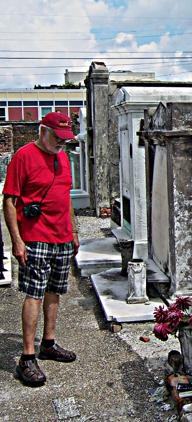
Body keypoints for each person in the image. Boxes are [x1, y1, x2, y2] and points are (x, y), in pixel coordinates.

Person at [2, 112, 80, 386]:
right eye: (57, 138)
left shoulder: (62, 157)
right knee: (34, 293)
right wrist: (17, 240)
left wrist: (73, 230)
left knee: (55, 291)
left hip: (61, 236)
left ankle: (48, 342)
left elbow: (66, 195)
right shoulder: (23, 156)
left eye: (64, 140)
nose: (61, 144)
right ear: (43, 131)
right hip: (35, 237)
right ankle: (27, 356)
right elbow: (9, 201)